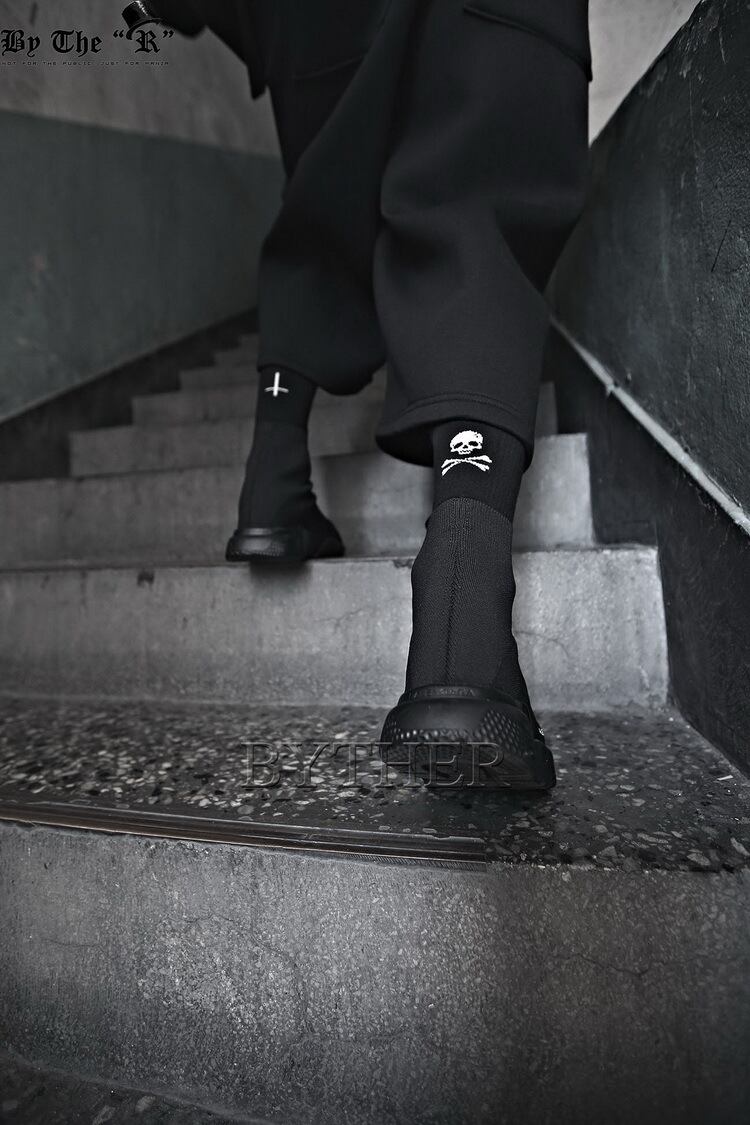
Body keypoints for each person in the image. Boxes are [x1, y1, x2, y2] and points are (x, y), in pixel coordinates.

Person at [124, 0, 592, 789]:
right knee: (469, 209)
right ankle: (464, 637)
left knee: (322, 219)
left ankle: (272, 487)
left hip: (314, 27)